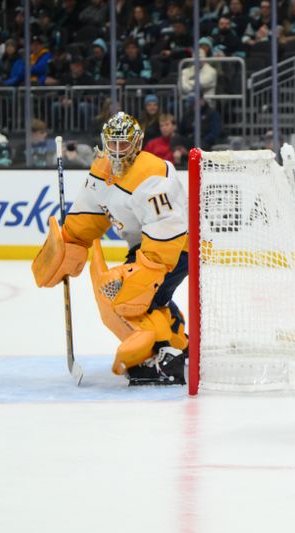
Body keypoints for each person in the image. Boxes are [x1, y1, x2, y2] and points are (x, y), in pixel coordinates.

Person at [31, 112, 188, 386]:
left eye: (123, 144)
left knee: (129, 298)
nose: (116, 151)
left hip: (177, 247)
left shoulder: (152, 175)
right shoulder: (102, 169)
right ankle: (176, 341)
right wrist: (70, 241)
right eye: (111, 144)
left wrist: (146, 270)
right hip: (145, 245)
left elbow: (168, 228)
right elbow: (89, 213)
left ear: (136, 144)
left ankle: (166, 360)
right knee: (135, 297)